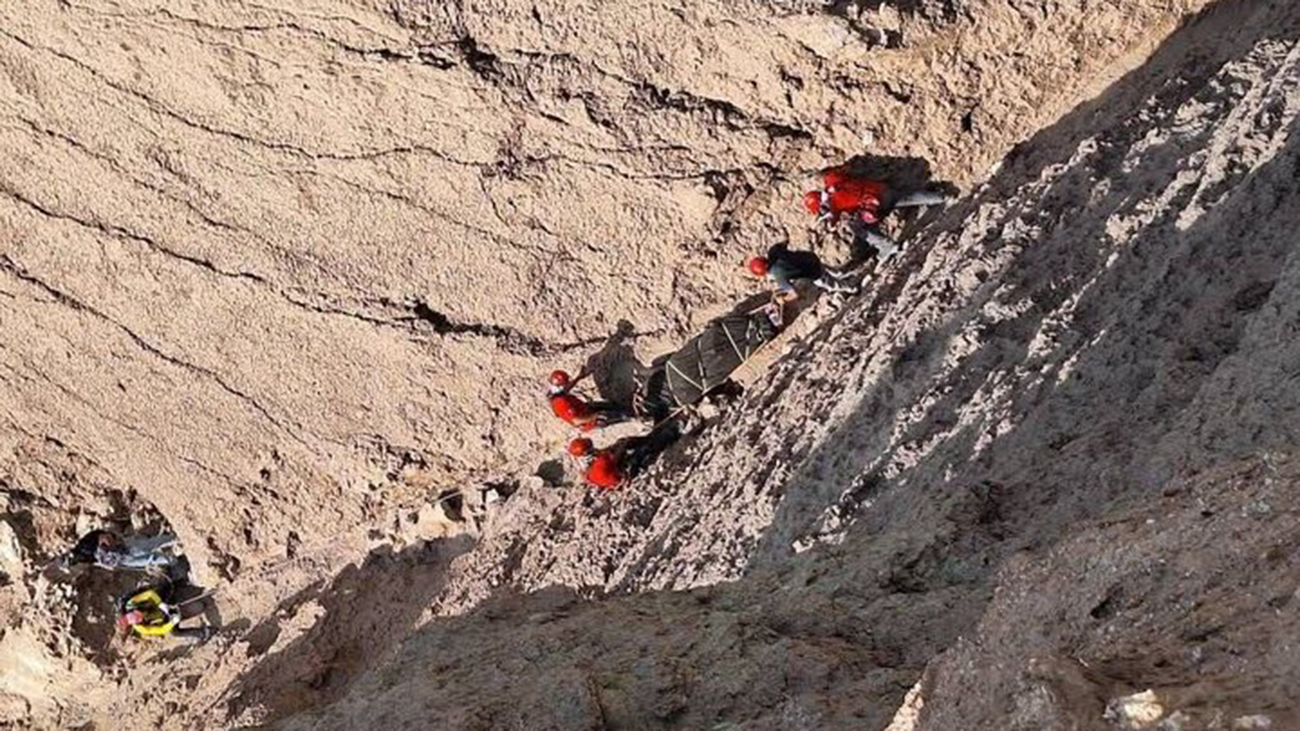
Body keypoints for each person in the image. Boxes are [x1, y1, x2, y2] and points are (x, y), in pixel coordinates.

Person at [748, 243, 857, 304]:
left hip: (812, 272)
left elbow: (795, 294)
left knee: (830, 284)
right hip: (809, 257)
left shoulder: (779, 276)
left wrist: (783, 299)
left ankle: (852, 288)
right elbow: (785, 242)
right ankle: (843, 272)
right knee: (826, 268)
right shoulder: (774, 251)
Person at [116, 585, 213, 641]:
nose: (140, 616)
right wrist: (172, 622)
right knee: (176, 633)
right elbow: (161, 630)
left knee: (164, 588)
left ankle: (181, 582)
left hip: (162, 602)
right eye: (138, 619)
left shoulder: (132, 603)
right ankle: (203, 633)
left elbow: (150, 594)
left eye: (137, 614)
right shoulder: (141, 628)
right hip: (167, 618)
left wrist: (161, 604)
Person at [547, 369, 629, 432]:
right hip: (588, 421)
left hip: (585, 408)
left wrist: (579, 377)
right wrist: (594, 416)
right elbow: (576, 421)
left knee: (610, 405)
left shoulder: (555, 393)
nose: (568, 383)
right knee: (616, 415)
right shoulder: (561, 402)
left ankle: (625, 406)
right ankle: (631, 417)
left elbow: (566, 389)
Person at [61, 529, 177, 572]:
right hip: (121, 560)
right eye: (72, 564)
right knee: (148, 560)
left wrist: (111, 544)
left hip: (122, 548)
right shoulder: (83, 559)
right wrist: (107, 565)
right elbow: (96, 561)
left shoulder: (84, 545)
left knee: (148, 546)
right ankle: (172, 559)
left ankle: (173, 539)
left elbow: (101, 535)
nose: (74, 562)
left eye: (71, 561)